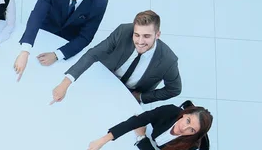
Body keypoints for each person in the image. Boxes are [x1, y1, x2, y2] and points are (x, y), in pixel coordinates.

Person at [51, 10, 181, 105]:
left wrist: (141, 97)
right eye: (137, 35)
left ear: (157, 35)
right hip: (105, 78)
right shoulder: (123, 31)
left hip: (128, 94)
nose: (140, 42)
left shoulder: (168, 60)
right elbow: (93, 53)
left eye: (146, 36)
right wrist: (65, 83)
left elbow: (174, 89)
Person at [14, 0, 107, 81]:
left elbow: (86, 37)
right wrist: (25, 51)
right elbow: (37, 15)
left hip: (67, 41)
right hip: (44, 31)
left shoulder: (99, 2)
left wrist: (57, 55)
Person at [83, 103, 213, 150]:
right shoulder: (170, 111)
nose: (184, 128)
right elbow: (137, 121)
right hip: (149, 146)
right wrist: (104, 140)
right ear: (185, 114)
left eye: (192, 130)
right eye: (188, 121)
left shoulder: (190, 145)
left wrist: (141, 137)